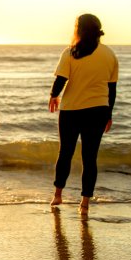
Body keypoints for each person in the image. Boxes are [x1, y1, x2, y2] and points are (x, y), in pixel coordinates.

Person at [48, 14, 118, 216]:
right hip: (98, 110)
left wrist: (53, 95)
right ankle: (85, 203)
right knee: (90, 158)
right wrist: (109, 114)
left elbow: (61, 79)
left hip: (71, 111)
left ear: (79, 29)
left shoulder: (71, 52)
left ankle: (58, 195)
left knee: (65, 153)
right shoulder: (109, 54)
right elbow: (111, 89)